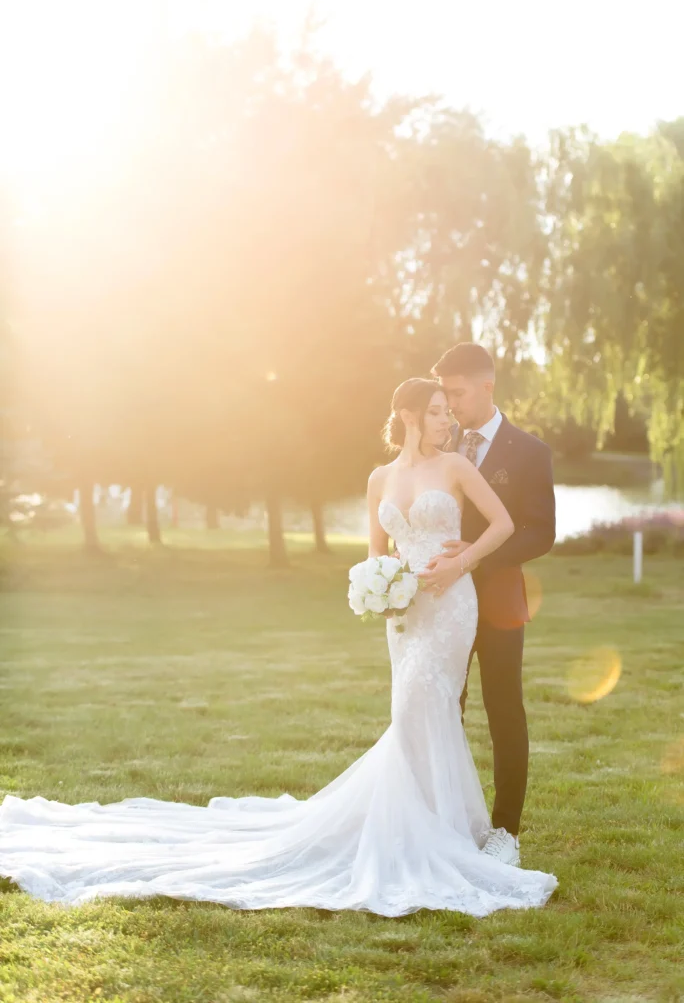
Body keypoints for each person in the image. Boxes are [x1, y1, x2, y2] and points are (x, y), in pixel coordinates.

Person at [0, 378, 557, 917]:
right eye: (436, 410)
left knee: (426, 704)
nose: (446, 419)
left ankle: (438, 830)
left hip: (451, 604)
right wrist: (381, 586)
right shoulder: (378, 478)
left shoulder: (456, 466)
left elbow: (505, 524)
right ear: (410, 416)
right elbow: (374, 549)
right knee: (411, 709)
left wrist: (460, 561)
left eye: (447, 409)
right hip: (406, 611)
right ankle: (431, 824)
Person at [422, 343, 556, 867]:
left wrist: (476, 559)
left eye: (457, 393)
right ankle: (446, 820)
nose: (450, 405)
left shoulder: (529, 451)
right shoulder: (439, 445)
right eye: (444, 395)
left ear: (486, 387)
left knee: (504, 710)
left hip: (499, 601)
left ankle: (506, 832)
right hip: (442, 603)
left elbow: (541, 533)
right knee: (443, 708)